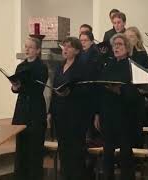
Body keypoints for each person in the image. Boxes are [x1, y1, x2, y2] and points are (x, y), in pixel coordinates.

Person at [94, 33, 142, 180]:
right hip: (108, 114)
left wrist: (120, 91)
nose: (116, 47)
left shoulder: (133, 66)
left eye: (120, 44)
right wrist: (97, 114)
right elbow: (100, 89)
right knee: (107, 152)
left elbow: (139, 92)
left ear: (127, 47)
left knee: (125, 153)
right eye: (115, 45)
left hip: (125, 115)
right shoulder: (108, 65)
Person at [48, 37, 89, 180]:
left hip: (75, 113)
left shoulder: (82, 66)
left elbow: (86, 90)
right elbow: (54, 89)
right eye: (64, 46)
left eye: (69, 47)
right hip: (60, 112)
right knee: (63, 148)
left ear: (77, 51)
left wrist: (70, 92)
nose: (65, 49)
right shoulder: (60, 66)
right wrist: (50, 112)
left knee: (76, 149)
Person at [12, 37, 48, 180]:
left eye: (30, 47)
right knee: (21, 149)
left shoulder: (41, 67)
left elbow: (38, 88)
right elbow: (16, 88)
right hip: (21, 109)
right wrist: (15, 86)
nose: (27, 49)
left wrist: (22, 85)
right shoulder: (20, 67)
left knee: (34, 150)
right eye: (25, 47)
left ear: (38, 50)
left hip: (35, 110)